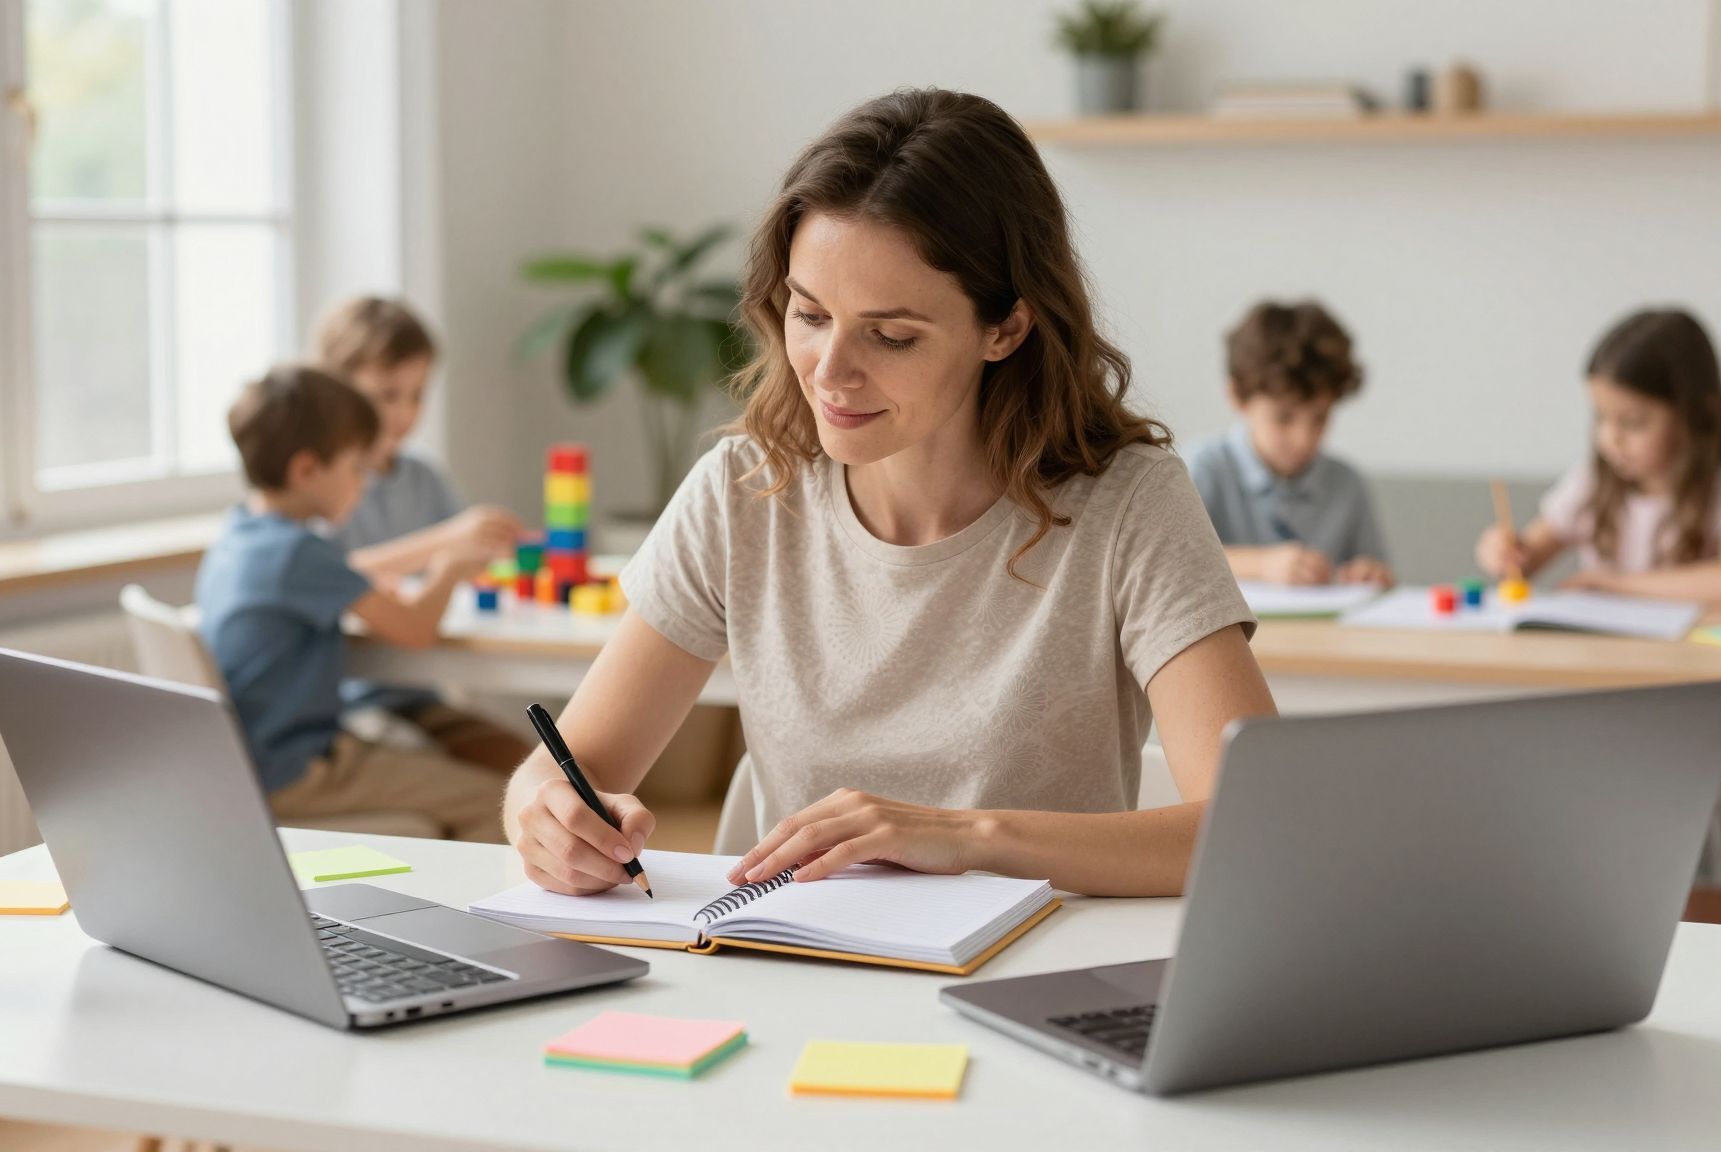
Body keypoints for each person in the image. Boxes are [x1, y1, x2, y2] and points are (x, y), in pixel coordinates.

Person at [500, 88, 1277, 899]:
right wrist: (548, 819)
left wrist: (968, 838)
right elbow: (562, 770)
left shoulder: (1129, 505)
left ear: (1006, 329)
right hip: (797, 958)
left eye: (891, 335)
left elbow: (1258, 827)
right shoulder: (743, 493)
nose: (830, 371)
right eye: (810, 314)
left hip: (1037, 965)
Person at [196, 365, 504, 841]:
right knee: (496, 802)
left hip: (253, 764)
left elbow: (343, 583)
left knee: (451, 770)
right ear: (306, 470)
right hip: (298, 770)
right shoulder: (298, 552)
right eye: (356, 468)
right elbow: (416, 630)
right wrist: (448, 570)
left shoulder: (239, 535)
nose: (363, 484)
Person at [315, 296, 531, 772]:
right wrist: (444, 541)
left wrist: (486, 548)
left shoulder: (422, 475)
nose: (405, 413)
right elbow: (320, 571)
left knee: (534, 771)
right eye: (387, 395)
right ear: (337, 390)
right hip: (351, 708)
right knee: (456, 779)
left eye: (417, 396)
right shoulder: (320, 484)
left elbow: (469, 560)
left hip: (419, 698)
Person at [1477, 308, 1721, 606]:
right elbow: (1524, 562)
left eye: (1632, 422)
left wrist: (1610, 584)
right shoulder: (1592, 483)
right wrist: (1504, 553)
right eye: (1600, 417)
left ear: (1692, 417)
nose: (1611, 438)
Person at [1184, 300, 1391, 587]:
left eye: (1319, 417)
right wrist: (1261, 565)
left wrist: (1369, 574)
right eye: (1283, 418)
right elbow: (1175, 560)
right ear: (1237, 397)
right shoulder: (1201, 468)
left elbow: (1379, 574)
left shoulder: (1347, 484)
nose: (1303, 439)